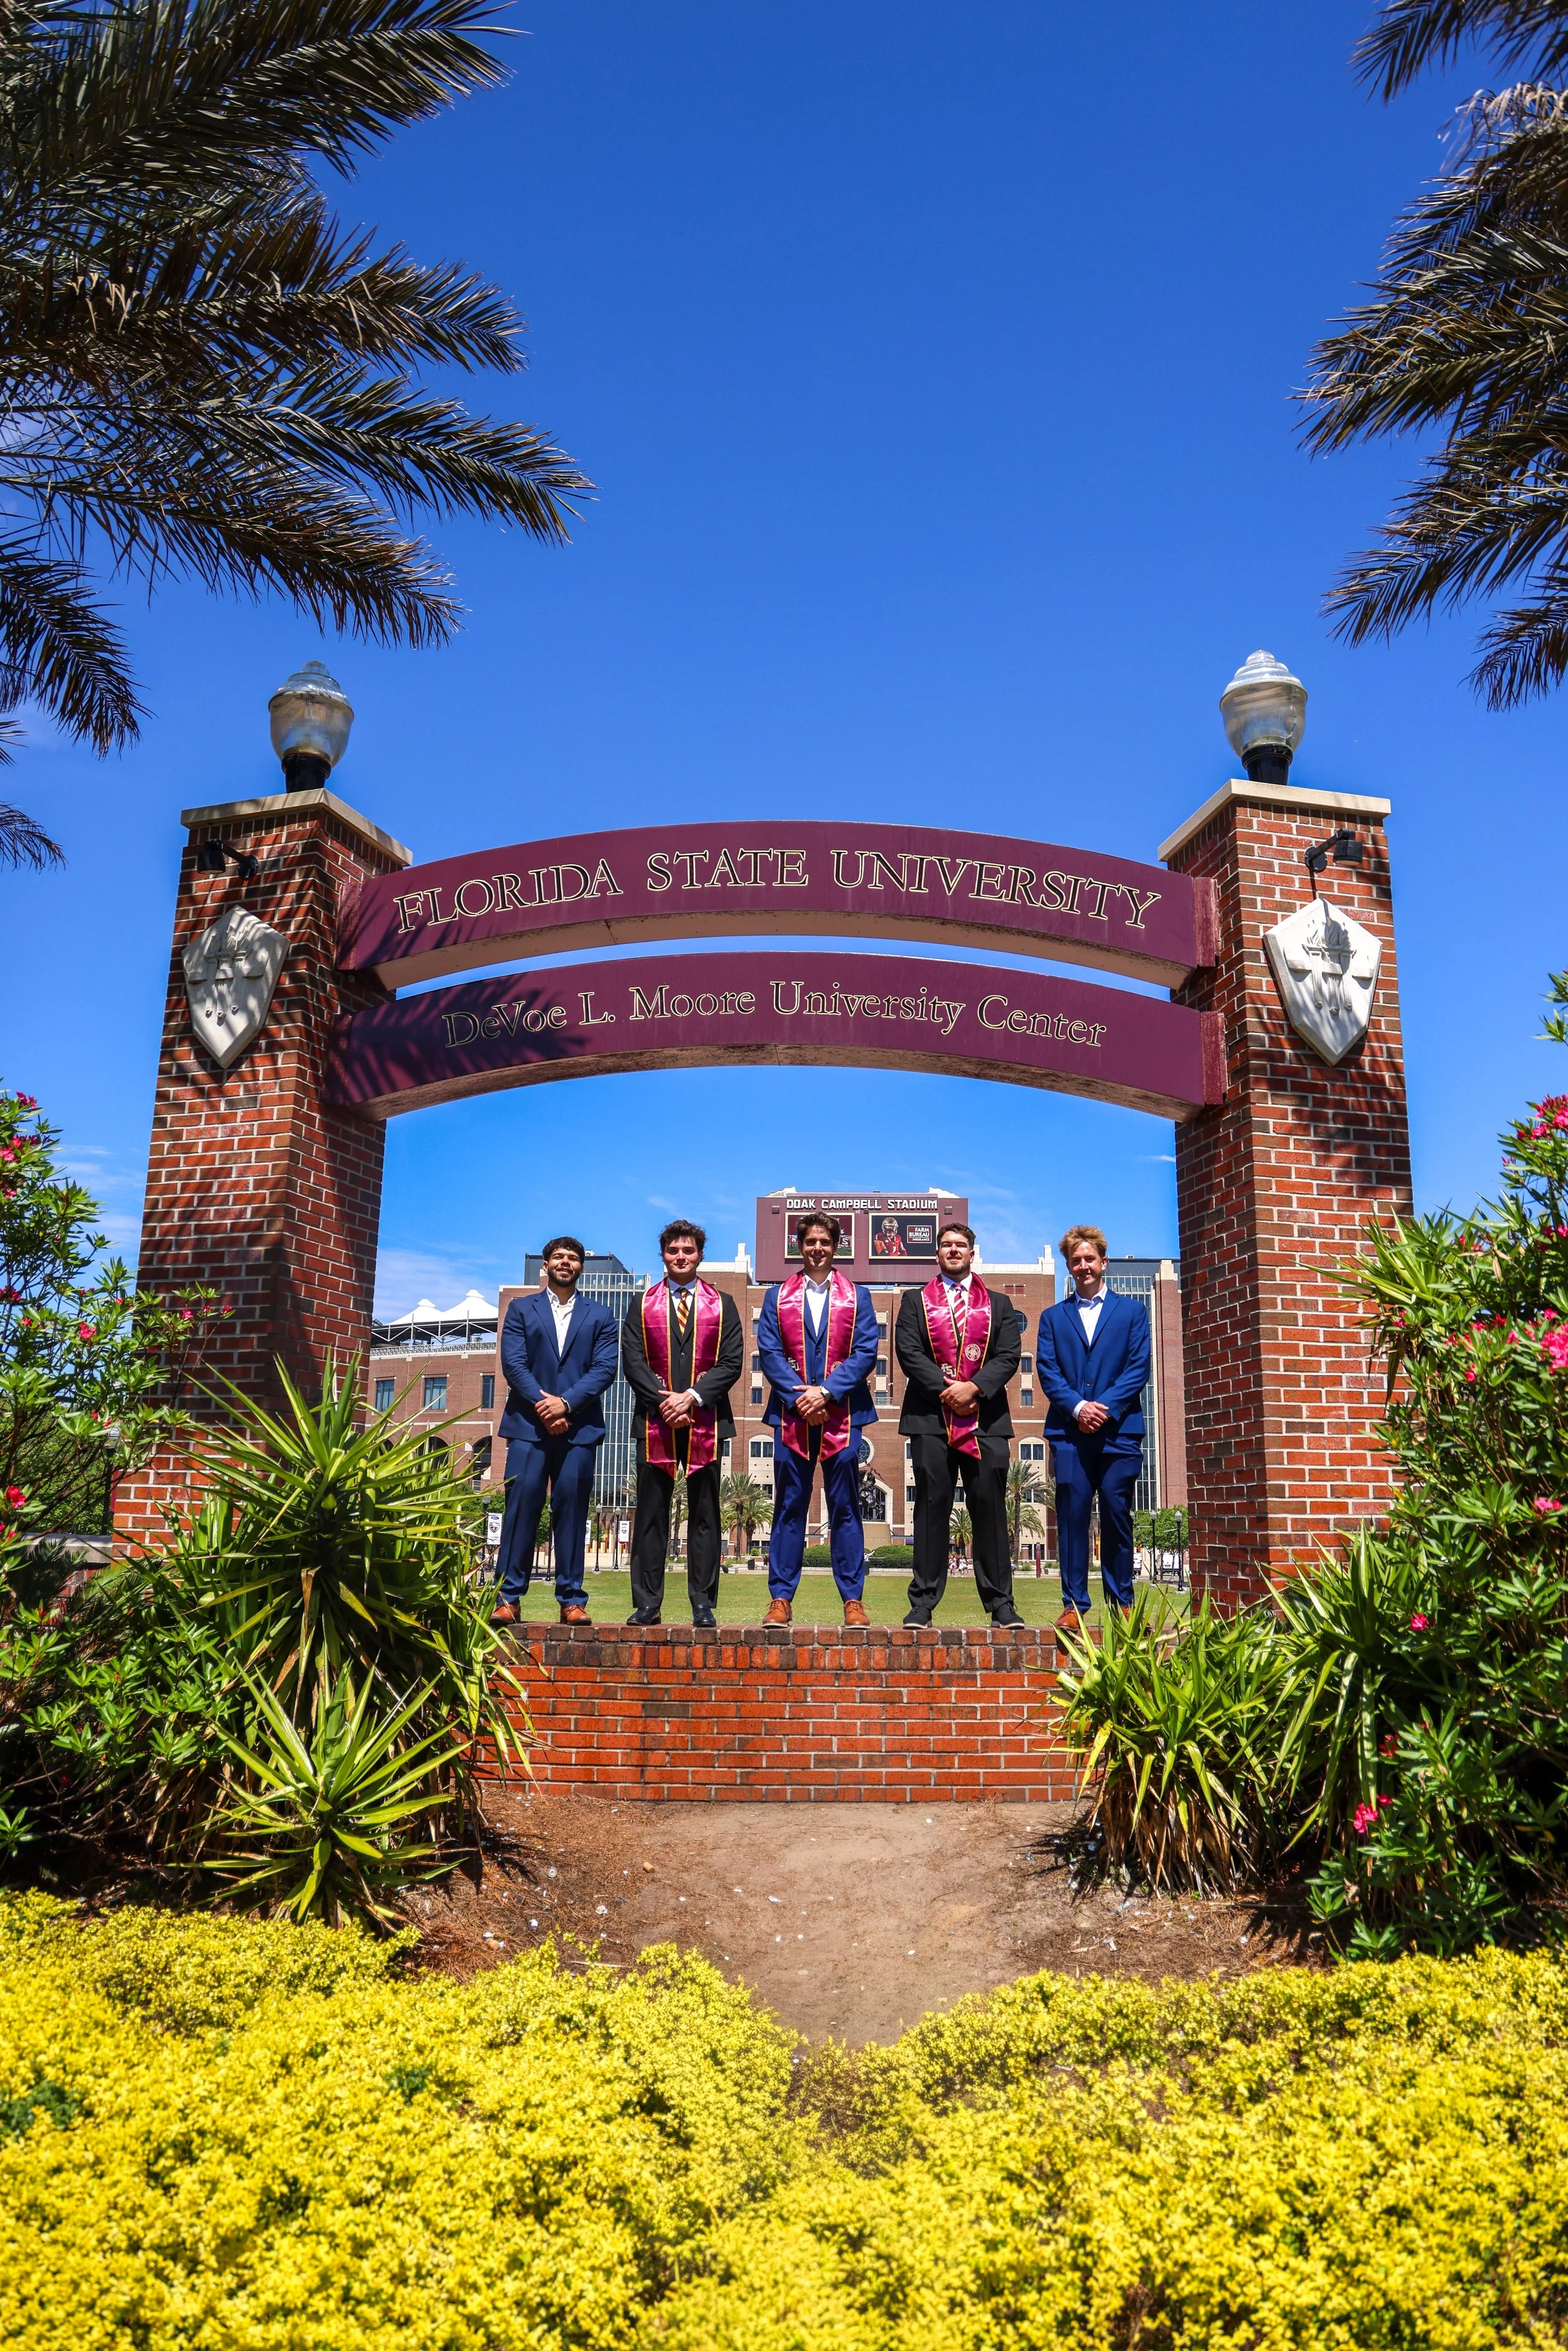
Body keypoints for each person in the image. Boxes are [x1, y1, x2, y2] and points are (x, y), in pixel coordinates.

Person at [895, 1221, 1024, 1629]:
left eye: (961, 1245)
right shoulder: (914, 1301)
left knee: (989, 1510)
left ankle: (1002, 1605)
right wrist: (946, 1390)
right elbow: (909, 1352)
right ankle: (923, 1604)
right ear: (937, 1254)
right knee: (932, 1509)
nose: (954, 1251)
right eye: (946, 1245)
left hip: (986, 1420)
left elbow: (1008, 1356)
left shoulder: (999, 1304)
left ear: (973, 1252)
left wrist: (974, 1388)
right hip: (931, 1418)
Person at [756, 1211, 879, 1626]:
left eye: (825, 1242)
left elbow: (865, 1352)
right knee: (789, 1506)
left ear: (836, 1246)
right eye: (810, 1241)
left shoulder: (858, 1296)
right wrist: (802, 1395)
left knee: (845, 1506)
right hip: (792, 1414)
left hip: (842, 1413)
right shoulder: (777, 1297)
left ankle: (852, 1600)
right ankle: (780, 1598)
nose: (818, 1248)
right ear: (799, 1245)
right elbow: (769, 1354)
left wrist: (825, 1392)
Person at [620, 1218, 743, 1628]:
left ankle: (703, 1603)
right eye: (673, 1251)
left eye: (688, 1250)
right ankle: (647, 1603)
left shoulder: (723, 1304)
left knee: (705, 1514)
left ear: (700, 1255)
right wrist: (664, 1402)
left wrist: (690, 1397)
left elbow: (731, 1363)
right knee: (651, 1514)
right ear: (663, 1255)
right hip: (654, 1421)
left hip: (705, 1419)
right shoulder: (641, 1304)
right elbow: (633, 1362)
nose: (681, 1257)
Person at [490, 1236, 620, 1626]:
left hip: (578, 1429)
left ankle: (572, 1600)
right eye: (559, 1257)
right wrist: (546, 1405)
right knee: (520, 1509)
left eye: (574, 1258)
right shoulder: (520, 1310)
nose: (566, 1262)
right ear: (546, 1265)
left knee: (571, 1511)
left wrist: (566, 1404)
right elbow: (514, 1365)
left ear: (582, 1267)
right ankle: (508, 1598)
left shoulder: (600, 1315)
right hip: (529, 1427)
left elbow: (604, 1370)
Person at [1036, 1223, 1151, 1636]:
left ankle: (1122, 1604)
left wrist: (1105, 1408)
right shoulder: (1052, 1318)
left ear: (1103, 1262)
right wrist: (1079, 1408)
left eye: (1090, 1259)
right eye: (1076, 1260)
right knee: (1071, 1517)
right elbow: (1047, 1371)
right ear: (1069, 1267)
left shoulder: (1133, 1313)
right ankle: (1073, 1606)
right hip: (1070, 1433)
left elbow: (1139, 1367)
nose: (1083, 1266)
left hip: (1120, 1432)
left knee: (1118, 1515)